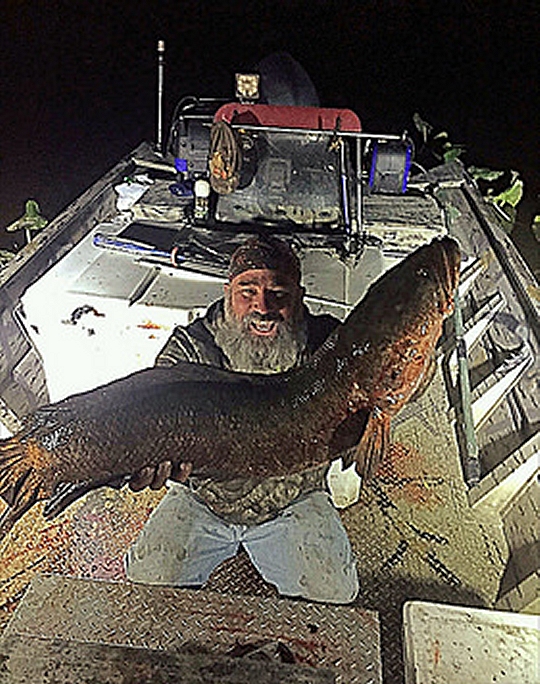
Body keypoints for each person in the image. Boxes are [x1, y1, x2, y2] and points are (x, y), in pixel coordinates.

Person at [125, 235, 359, 604]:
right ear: (227, 292)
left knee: (334, 592)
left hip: (293, 497)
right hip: (204, 498)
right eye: (247, 291)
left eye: (278, 292)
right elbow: (153, 416)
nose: (262, 307)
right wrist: (153, 464)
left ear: (300, 295)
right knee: (149, 576)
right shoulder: (187, 350)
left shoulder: (331, 346)